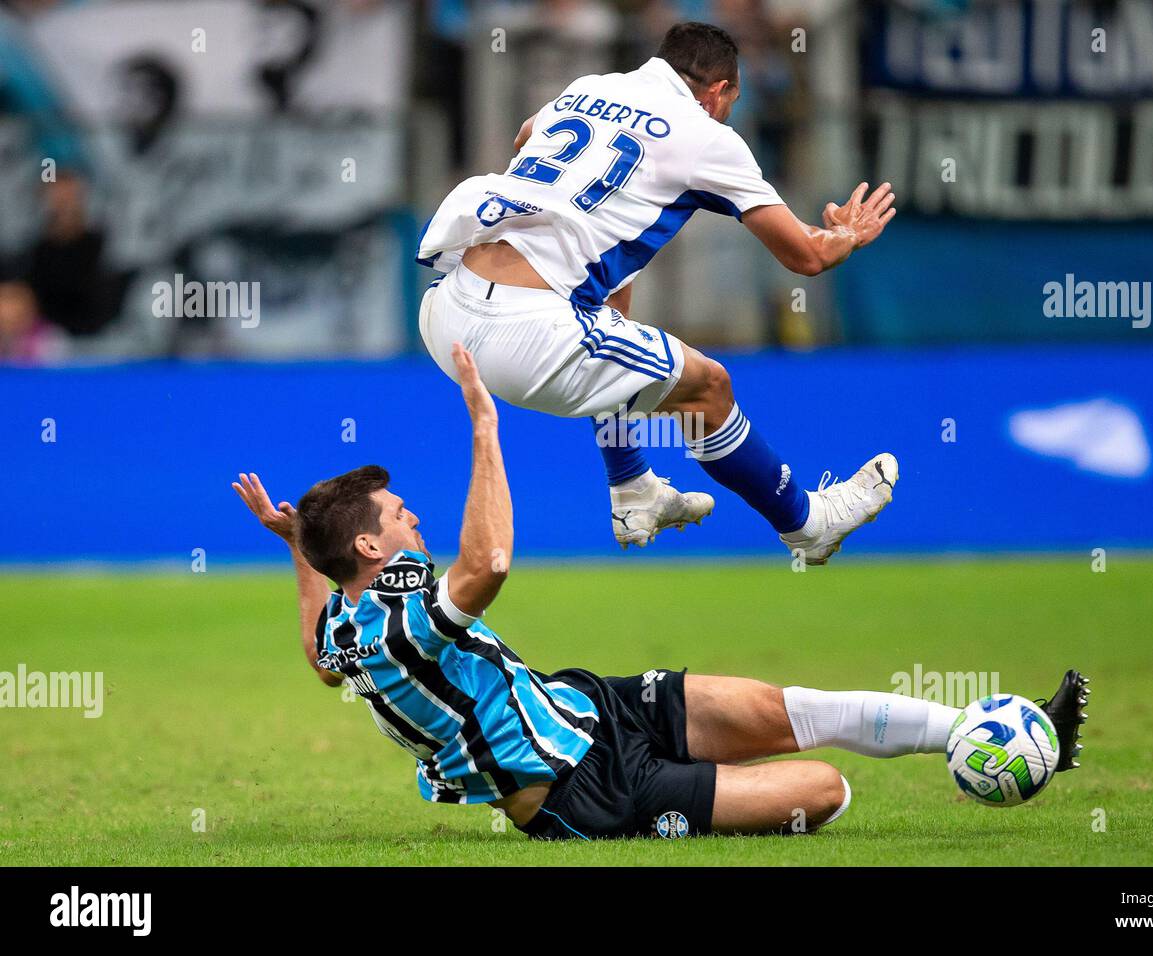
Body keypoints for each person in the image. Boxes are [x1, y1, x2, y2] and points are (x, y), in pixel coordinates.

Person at [231, 343, 1088, 840]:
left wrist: (297, 548)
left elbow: (319, 655)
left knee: (783, 705)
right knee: (826, 790)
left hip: (587, 708)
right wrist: (485, 425)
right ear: (372, 546)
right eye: (400, 516)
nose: (414, 521)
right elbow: (487, 565)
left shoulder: (353, 617)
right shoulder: (401, 613)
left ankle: (989, 732)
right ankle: (702, 778)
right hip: (578, 794)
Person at [416, 21, 899, 563]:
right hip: (525, 334)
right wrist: (846, 234)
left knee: (613, 303)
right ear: (718, 92)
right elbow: (805, 256)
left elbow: (527, 135)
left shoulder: (591, 87)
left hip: (445, 310)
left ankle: (633, 488)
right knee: (709, 388)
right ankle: (808, 525)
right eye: (732, 101)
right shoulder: (708, 136)